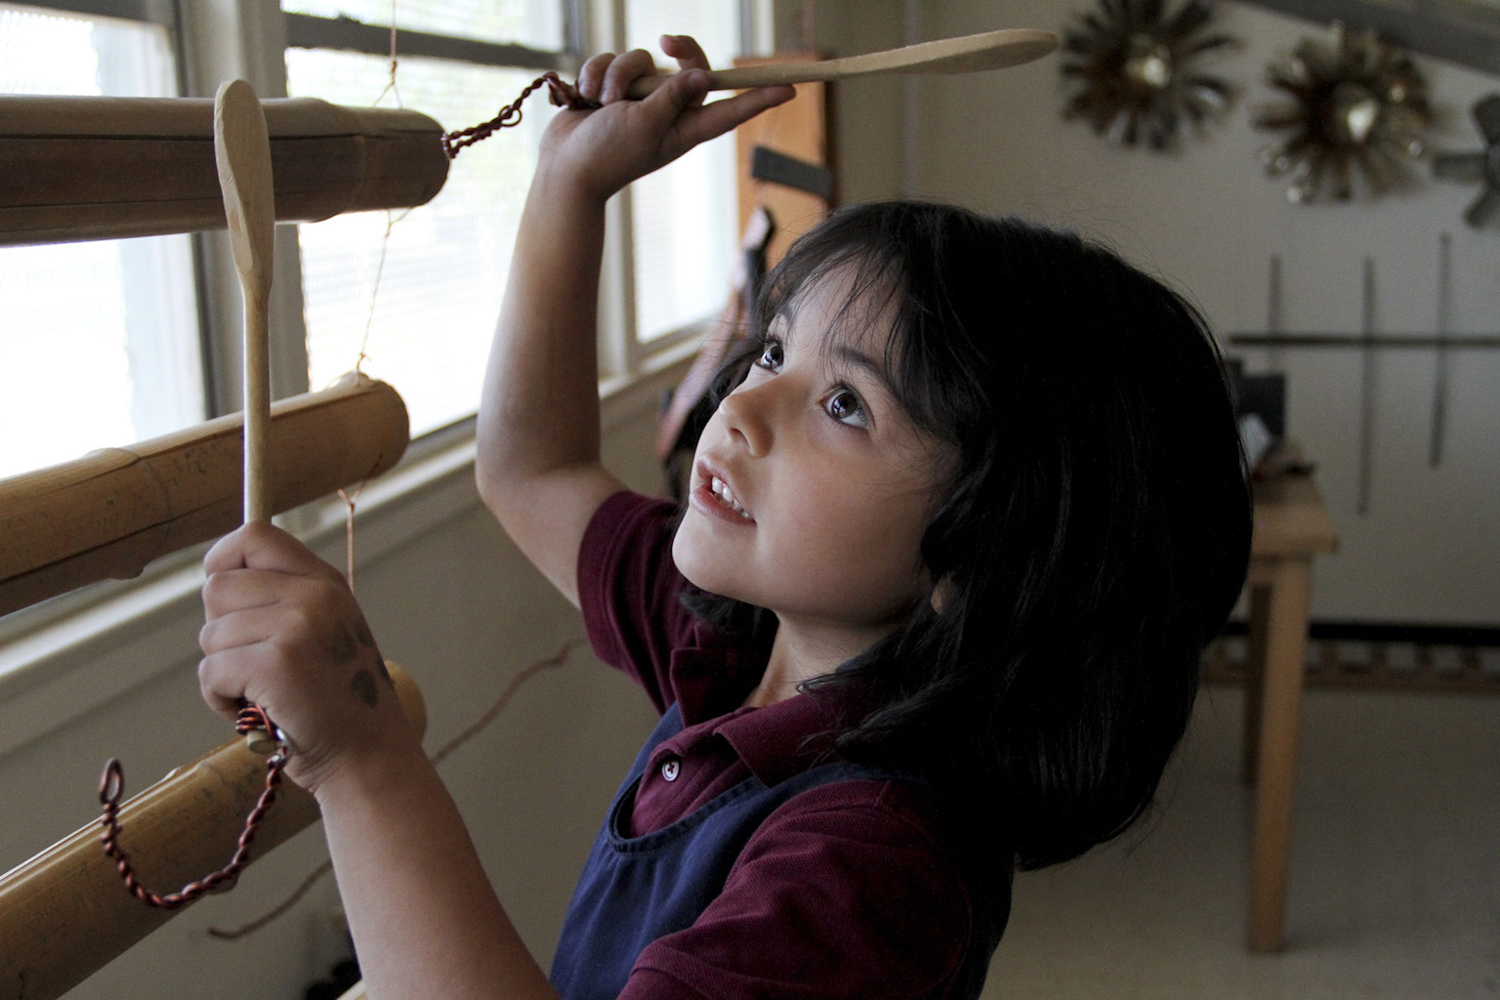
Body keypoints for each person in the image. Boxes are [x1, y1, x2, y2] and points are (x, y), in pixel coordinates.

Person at [197, 35, 1251, 1000]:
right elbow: (533, 466)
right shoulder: (738, 648)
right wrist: (571, 181)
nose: (740, 406)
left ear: (985, 547)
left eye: (846, 404)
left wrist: (364, 754)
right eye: (777, 350)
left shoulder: (874, 866)